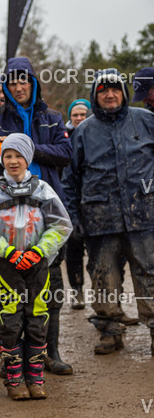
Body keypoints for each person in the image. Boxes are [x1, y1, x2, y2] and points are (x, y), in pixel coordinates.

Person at [0, 57, 74, 376]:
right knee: (9, 294)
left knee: (49, 289)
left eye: (24, 81)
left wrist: (27, 150)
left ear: (33, 83)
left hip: (45, 213)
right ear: (6, 86)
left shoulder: (51, 117)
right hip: (6, 219)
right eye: (12, 82)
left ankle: (49, 353)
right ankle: (10, 358)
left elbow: (66, 154)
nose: (19, 86)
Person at [0, 134, 72, 399]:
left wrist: (40, 250)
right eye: (8, 156)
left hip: (38, 265)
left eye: (18, 155)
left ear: (28, 158)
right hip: (5, 265)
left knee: (38, 318)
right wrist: (8, 251)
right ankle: (14, 379)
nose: (13, 161)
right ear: (1, 159)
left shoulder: (43, 189)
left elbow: (61, 225)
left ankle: (35, 377)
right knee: (9, 319)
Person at [64, 69, 154, 356]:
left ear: (124, 93)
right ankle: (109, 330)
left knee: (149, 274)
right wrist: (74, 218)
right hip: (100, 220)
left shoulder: (147, 121)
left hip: (145, 216)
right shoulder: (82, 131)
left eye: (115, 89)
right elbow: (70, 181)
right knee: (104, 275)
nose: (110, 94)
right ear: (95, 95)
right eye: (103, 90)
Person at [64, 98, 92, 310]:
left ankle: (107, 297)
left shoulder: (96, 134)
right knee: (73, 250)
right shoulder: (63, 138)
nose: (79, 118)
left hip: (94, 202)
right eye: (75, 115)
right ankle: (77, 291)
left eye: (83, 114)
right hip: (70, 200)